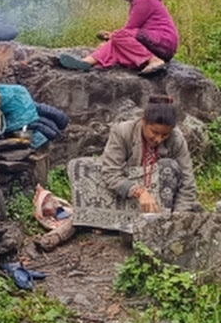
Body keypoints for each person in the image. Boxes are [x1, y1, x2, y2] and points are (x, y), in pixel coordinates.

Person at [67, 95, 201, 232]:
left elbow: (187, 183)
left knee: (169, 166)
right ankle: (106, 221)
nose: (158, 139)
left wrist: (177, 219)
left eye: (164, 135)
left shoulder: (176, 139)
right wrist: (139, 192)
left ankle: (160, 220)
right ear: (143, 121)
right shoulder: (123, 131)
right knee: (81, 167)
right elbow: (111, 172)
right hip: (125, 188)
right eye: (154, 132)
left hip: (161, 195)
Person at [59, 0, 178, 75]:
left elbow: (130, 28)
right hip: (155, 41)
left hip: (163, 41)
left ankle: (153, 60)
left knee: (118, 36)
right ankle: (86, 62)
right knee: (116, 42)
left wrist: (111, 37)